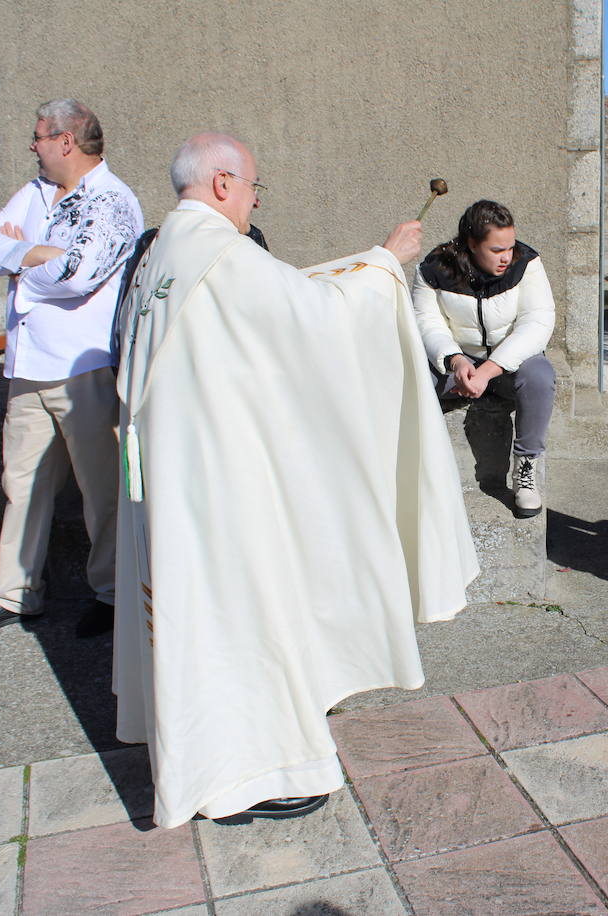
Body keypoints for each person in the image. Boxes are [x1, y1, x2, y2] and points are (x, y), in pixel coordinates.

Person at [113, 133, 478, 828]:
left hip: (179, 472)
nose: (255, 200)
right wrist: (384, 264)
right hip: (217, 484)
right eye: (254, 186)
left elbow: (272, 308)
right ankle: (246, 773)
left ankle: (207, 766)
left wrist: (367, 261)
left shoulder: (166, 251)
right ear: (222, 183)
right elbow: (317, 319)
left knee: (202, 618)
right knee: (240, 616)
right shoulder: (218, 252)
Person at [0, 99, 143, 639]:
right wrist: (33, 254)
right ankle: (15, 595)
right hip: (28, 366)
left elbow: (79, 274)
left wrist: (20, 258)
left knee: (102, 489)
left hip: (83, 367)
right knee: (21, 485)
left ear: (66, 141)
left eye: (38, 137)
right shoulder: (35, 191)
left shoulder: (112, 200)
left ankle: (112, 596)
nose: (31, 146)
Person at [411, 200, 556, 518]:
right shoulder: (433, 269)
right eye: (496, 249)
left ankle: (525, 470)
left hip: (508, 365)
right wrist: (456, 362)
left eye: (510, 246)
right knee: (407, 373)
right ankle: (415, 471)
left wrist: (488, 371)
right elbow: (426, 322)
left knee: (540, 374)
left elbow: (537, 323)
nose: (507, 256)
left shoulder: (526, 263)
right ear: (472, 243)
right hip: (458, 365)